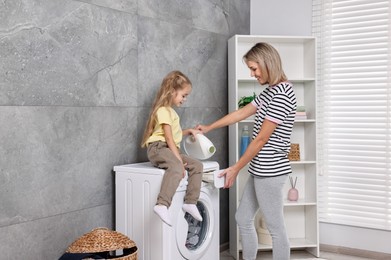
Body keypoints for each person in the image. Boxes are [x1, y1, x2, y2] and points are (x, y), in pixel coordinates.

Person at [197, 43, 296, 260]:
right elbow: (242, 113)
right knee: (243, 218)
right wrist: (210, 127)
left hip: (271, 172)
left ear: (267, 63)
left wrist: (235, 169)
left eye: (254, 68)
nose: (252, 74)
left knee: (276, 229)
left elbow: (260, 139)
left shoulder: (282, 94)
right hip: (260, 170)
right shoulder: (271, 91)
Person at [141, 70, 204, 227]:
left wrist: (188, 131)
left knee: (197, 165)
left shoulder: (171, 112)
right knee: (176, 167)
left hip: (168, 147)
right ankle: (162, 204)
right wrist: (178, 160)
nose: (184, 99)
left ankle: (190, 202)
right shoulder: (162, 110)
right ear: (172, 91)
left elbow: (173, 135)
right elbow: (167, 138)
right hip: (158, 148)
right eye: (183, 95)